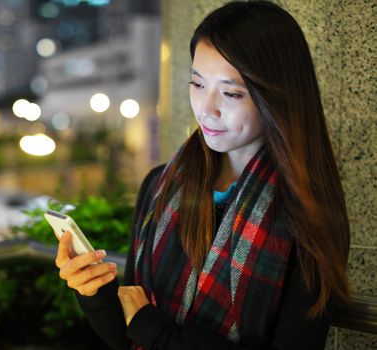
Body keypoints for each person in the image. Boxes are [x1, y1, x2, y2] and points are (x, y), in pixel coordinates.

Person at [54, 1, 351, 348]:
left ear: (278, 97)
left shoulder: (309, 213)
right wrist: (94, 293)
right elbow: (126, 336)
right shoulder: (161, 185)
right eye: (197, 85)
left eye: (231, 92)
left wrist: (157, 331)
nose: (207, 109)